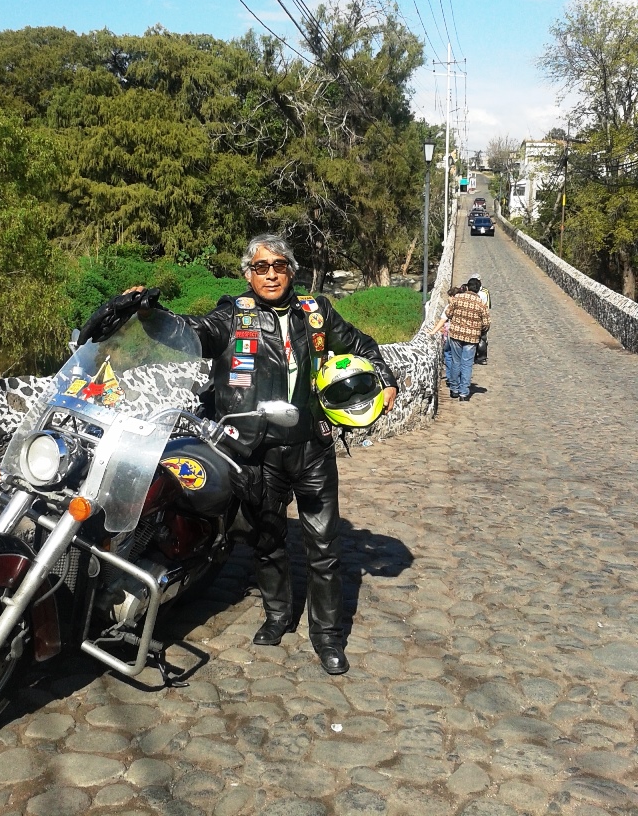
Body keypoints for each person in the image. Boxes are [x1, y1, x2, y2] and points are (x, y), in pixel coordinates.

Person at [125, 234, 398, 675]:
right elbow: (190, 333)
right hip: (254, 452)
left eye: (279, 265)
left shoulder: (317, 312)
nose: (270, 273)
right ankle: (276, 615)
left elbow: (363, 345)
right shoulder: (233, 316)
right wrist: (148, 312)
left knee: (323, 548)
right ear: (247, 273)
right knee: (266, 540)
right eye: (260, 267)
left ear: (291, 269)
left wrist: (385, 378)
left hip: (312, 448)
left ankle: (327, 636)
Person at [429, 277, 489, 402]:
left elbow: (449, 313)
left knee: (456, 361)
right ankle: (463, 393)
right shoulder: (481, 305)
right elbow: (486, 324)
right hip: (472, 338)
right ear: (478, 290)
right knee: (467, 364)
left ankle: (454, 389)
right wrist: (478, 329)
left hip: (456, 335)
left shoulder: (457, 299)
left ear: (467, 287)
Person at [430, 286, 462, 389]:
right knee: (459, 359)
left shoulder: (450, 306)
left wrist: (433, 332)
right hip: (462, 336)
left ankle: (450, 378)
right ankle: (458, 380)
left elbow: (443, 320)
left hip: (451, 335)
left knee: (448, 354)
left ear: (452, 296)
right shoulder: (464, 305)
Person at [470, 273, 491, 364]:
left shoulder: (482, 292)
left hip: (473, 317)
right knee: (482, 338)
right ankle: (482, 358)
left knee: (477, 337)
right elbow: (486, 307)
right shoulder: (484, 292)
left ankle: (477, 357)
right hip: (480, 317)